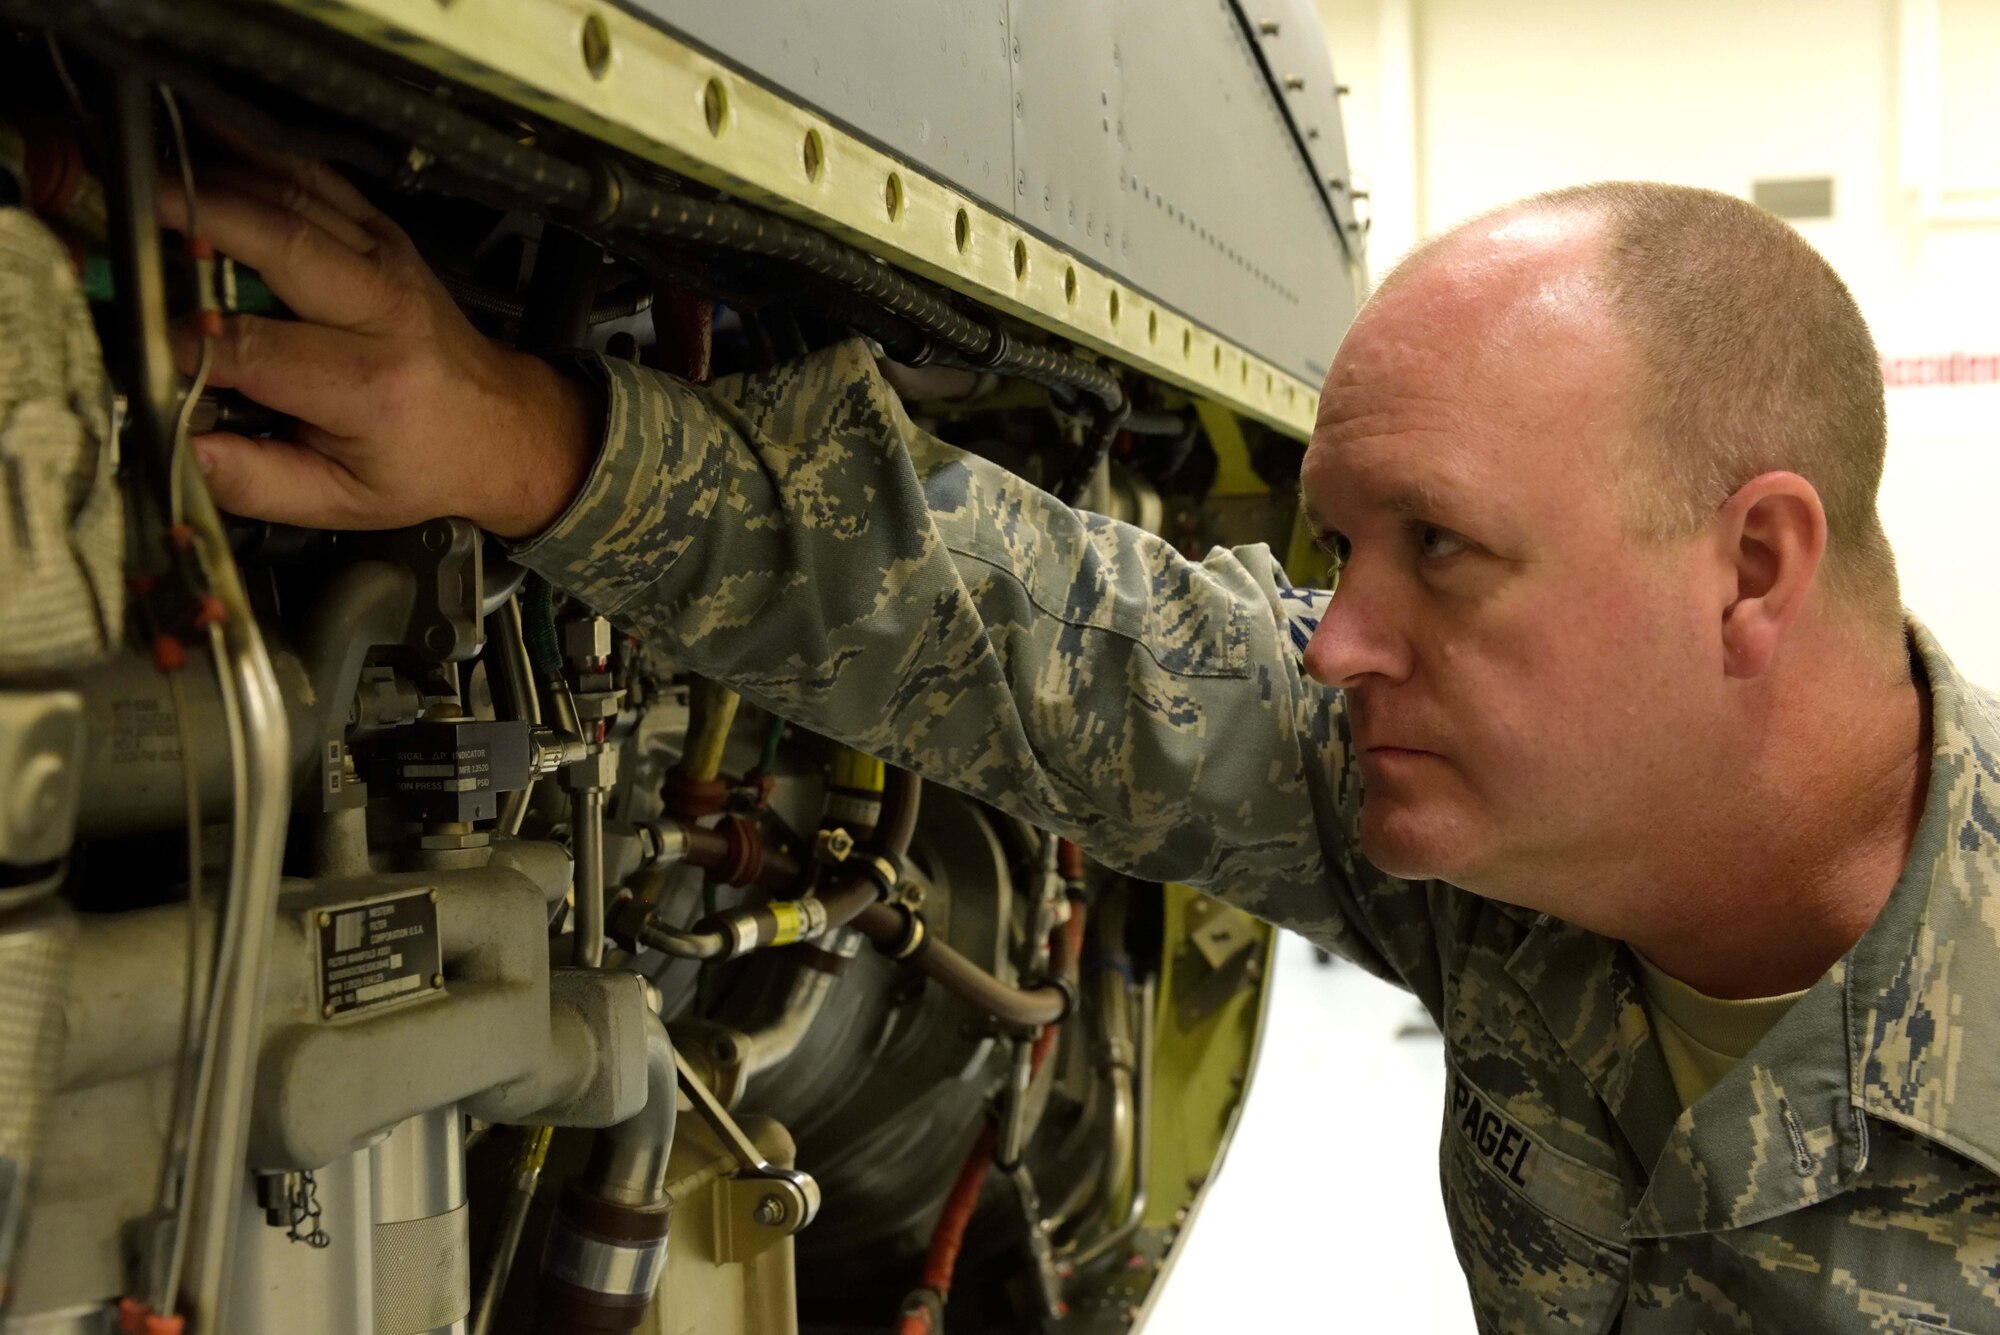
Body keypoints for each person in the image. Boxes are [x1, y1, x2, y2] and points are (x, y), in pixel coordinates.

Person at [159, 154, 2000, 1332]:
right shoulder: (1519, 832)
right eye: (1342, 550)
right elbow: (1051, 636)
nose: (1342, 641)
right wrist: (520, 435)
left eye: (1441, 549)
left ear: (1753, 565)